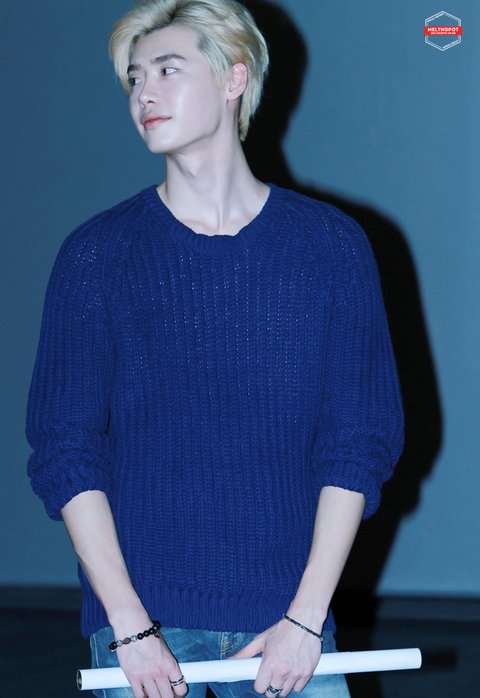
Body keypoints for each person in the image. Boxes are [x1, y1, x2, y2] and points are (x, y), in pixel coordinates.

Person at [26, 1, 404, 697]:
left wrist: (306, 617)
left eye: (167, 69)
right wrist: (128, 626)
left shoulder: (330, 247)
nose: (144, 93)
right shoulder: (98, 255)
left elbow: (357, 442)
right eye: (134, 78)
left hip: (290, 623)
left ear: (235, 78)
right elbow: (65, 450)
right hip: (143, 629)